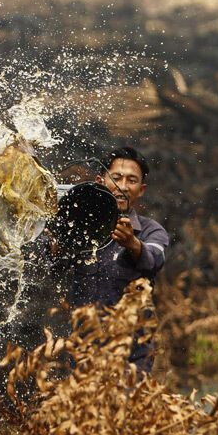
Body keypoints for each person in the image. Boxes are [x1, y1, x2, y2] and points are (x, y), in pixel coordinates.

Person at [69, 146, 169, 373]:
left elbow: (155, 258)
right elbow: (48, 262)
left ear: (141, 190)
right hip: (80, 354)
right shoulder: (79, 227)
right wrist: (58, 240)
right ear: (100, 181)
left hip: (131, 358)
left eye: (131, 180)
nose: (123, 186)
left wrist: (132, 243)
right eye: (116, 178)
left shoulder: (151, 231)